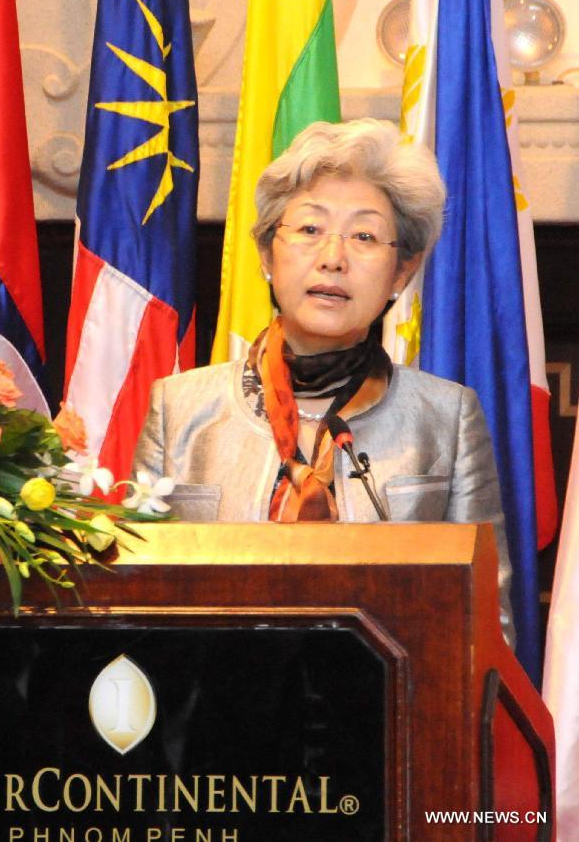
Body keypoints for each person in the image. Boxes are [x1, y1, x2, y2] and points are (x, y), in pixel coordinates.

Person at [133, 118, 515, 645]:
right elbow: (137, 602)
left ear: (401, 273)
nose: (333, 258)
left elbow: (485, 621)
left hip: (395, 713)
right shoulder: (179, 407)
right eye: (310, 230)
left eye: (364, 236)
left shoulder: (446, 417)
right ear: (268, 255)